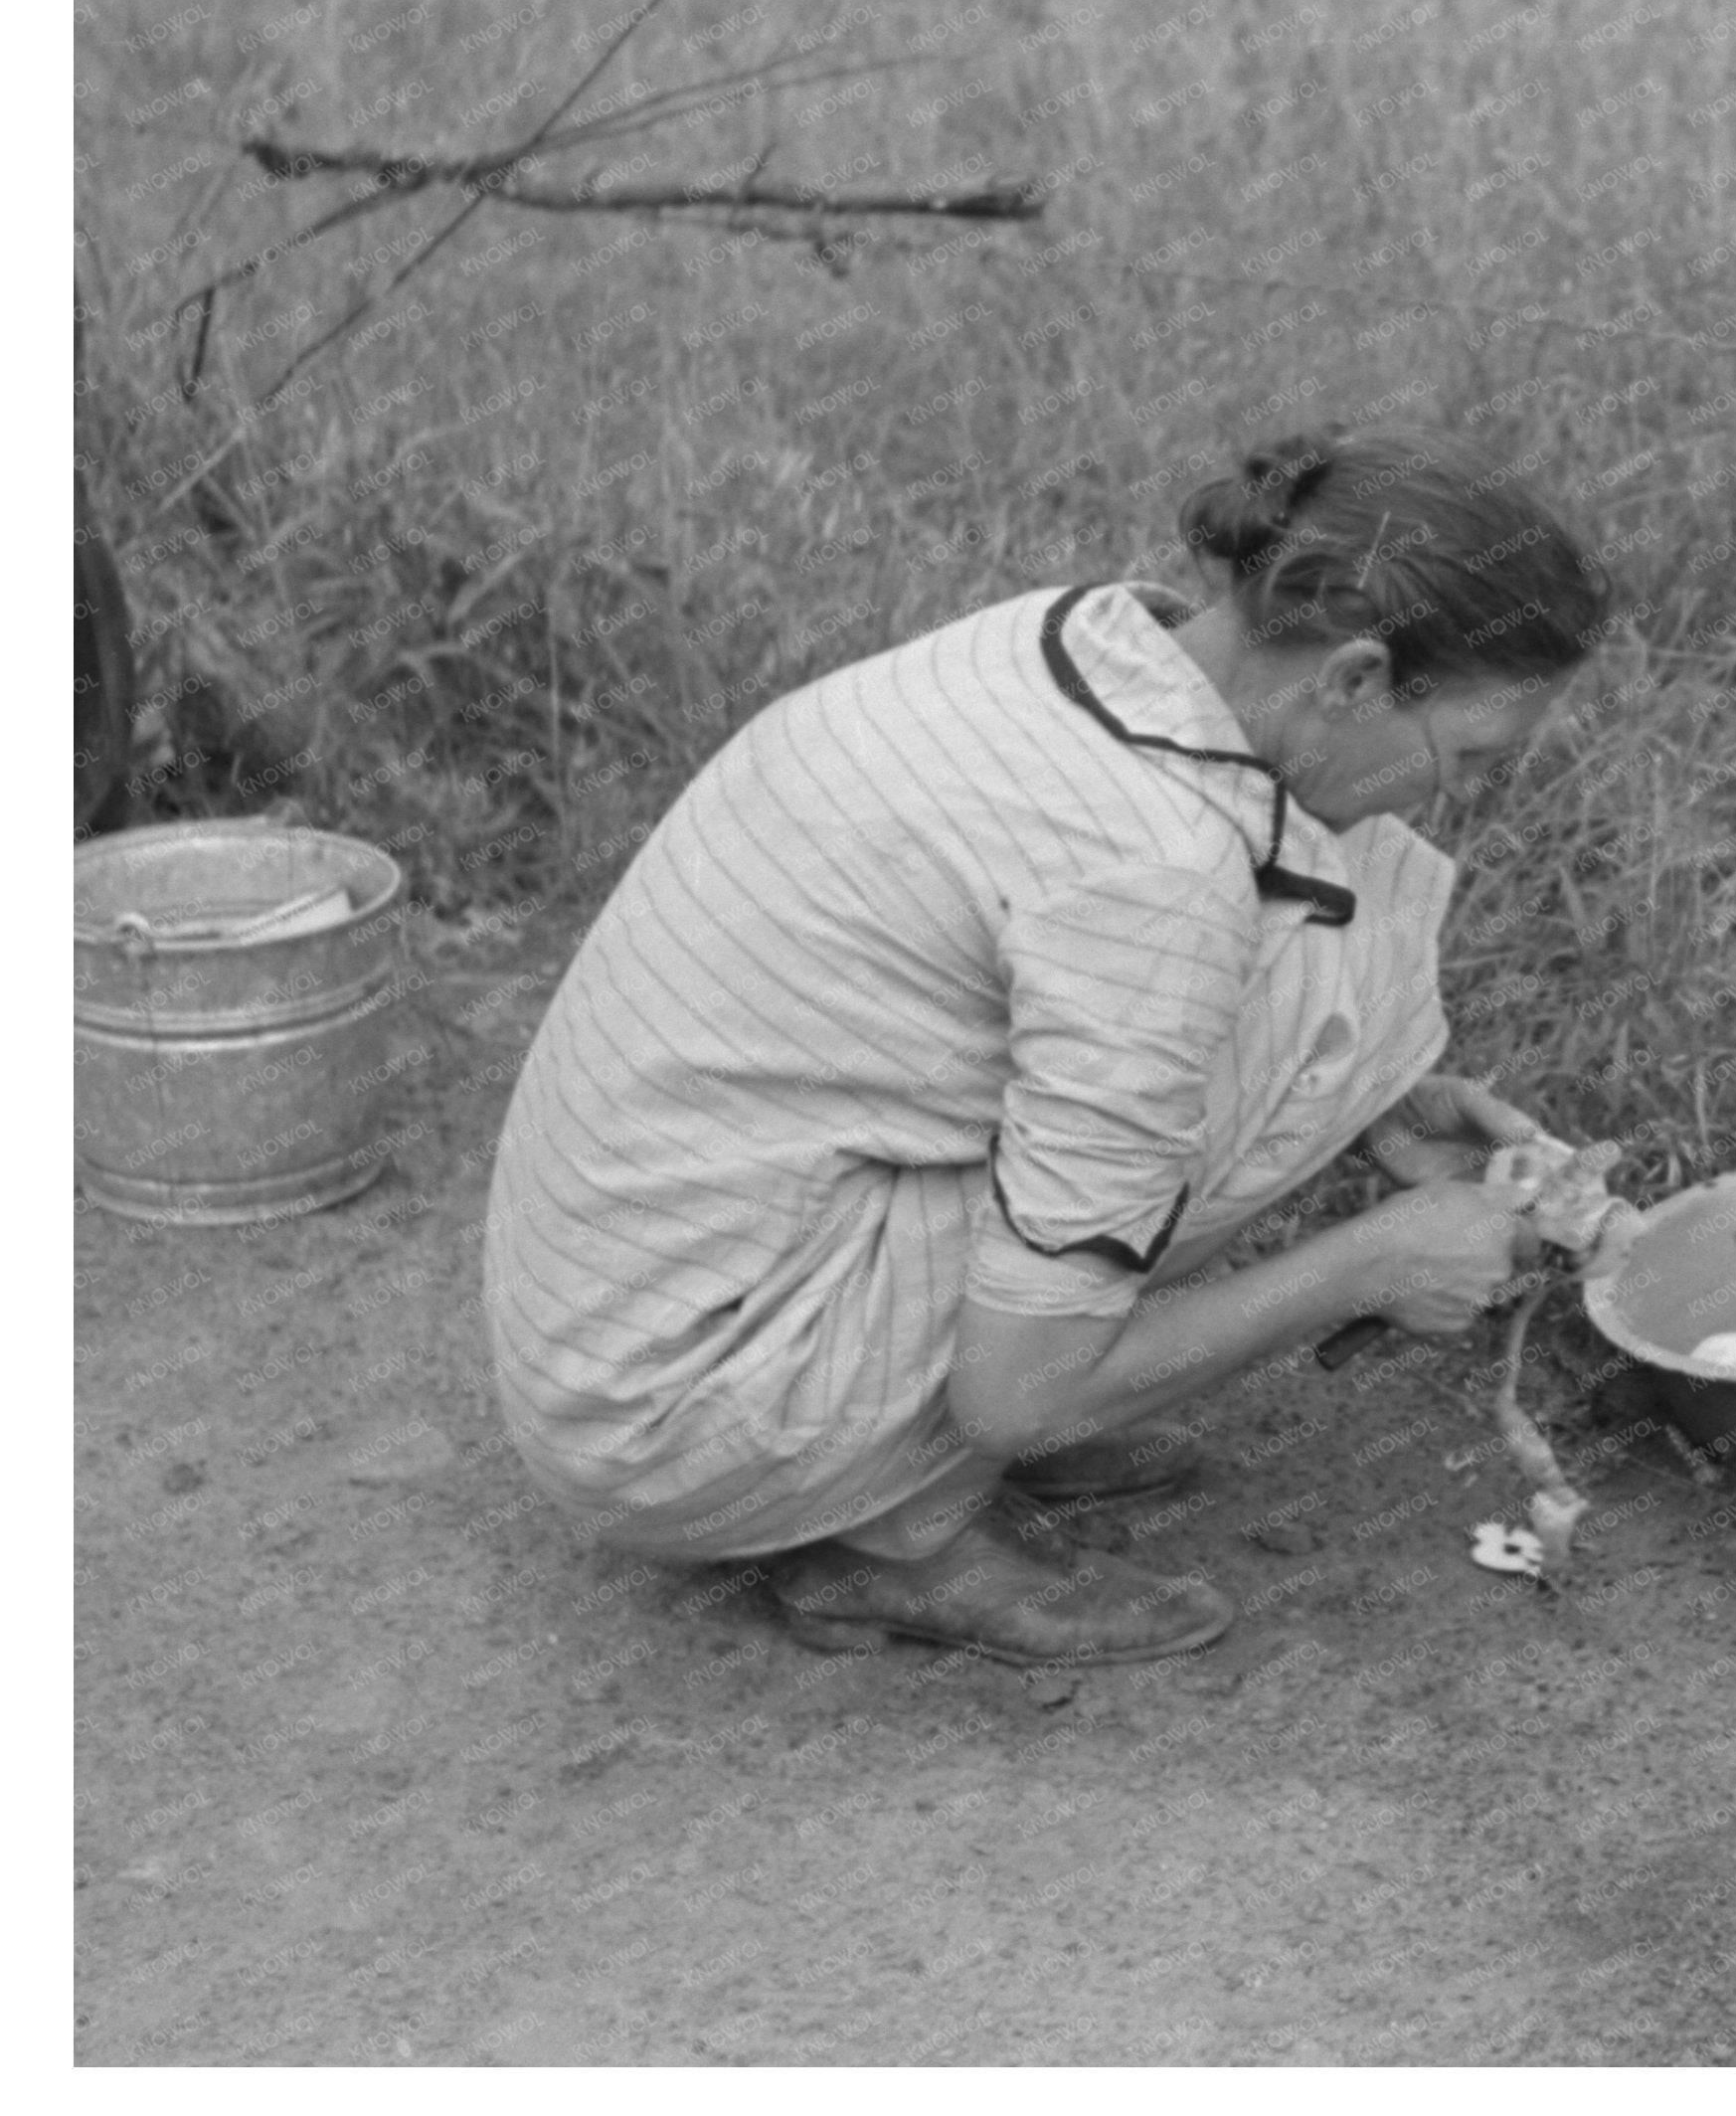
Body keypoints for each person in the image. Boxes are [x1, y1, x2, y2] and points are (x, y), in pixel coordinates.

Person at [484, 428, 1611, 1666]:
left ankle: (928, 1426)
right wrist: (1366, 1266)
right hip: (676, 1413)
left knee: (1330, 948)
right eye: (1468, 753)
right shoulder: (1155, 876)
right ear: (1351, 677)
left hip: (630, 1293)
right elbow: (1019, 1391)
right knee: (1054, 1344)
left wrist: (1372, 1117)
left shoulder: (1086, 640)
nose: (1452, 793)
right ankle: (900, 1531)